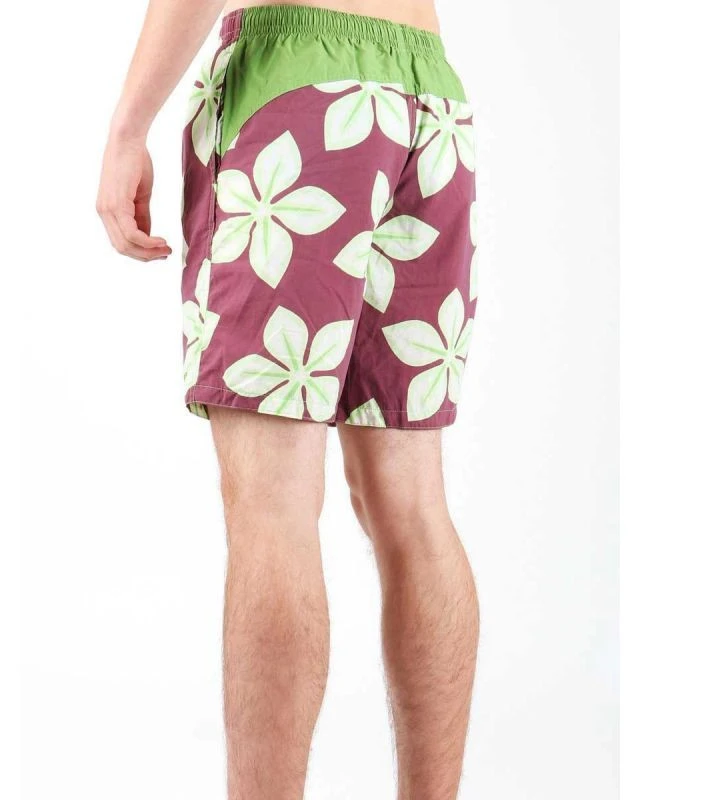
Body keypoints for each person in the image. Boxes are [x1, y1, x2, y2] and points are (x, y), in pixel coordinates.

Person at [96, 1, 479, 797]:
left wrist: (127, 127)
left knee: (272, 505)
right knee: (413, 505)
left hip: (299, 84)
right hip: (430, 95)